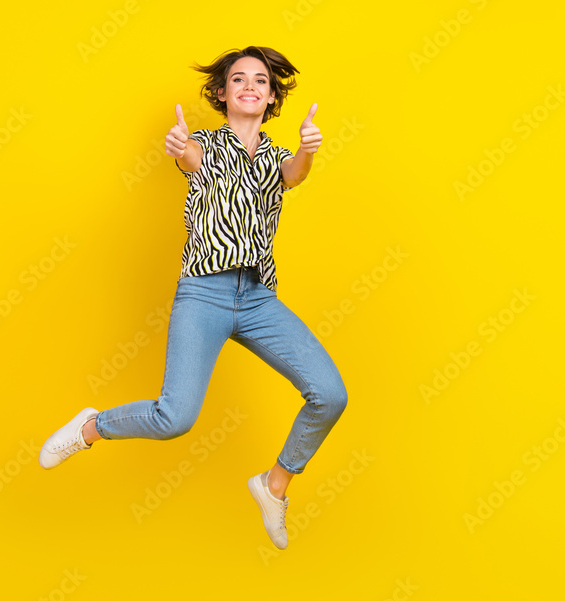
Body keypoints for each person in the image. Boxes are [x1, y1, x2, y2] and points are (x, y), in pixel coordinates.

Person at [39, 46, 348, 549]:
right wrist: (178, 144)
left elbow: (295, 173)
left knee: (331, 394)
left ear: (271, 98)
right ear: (223, 93)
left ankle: (274, 486)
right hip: (204, 293)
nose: (250, 85)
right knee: (174, 418)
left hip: (257, 299)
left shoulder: (275, 159)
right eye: (239, 79)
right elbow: (188, 158)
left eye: (261, 81)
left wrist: (309, 149)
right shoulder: (204, 144)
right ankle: (92, 427)